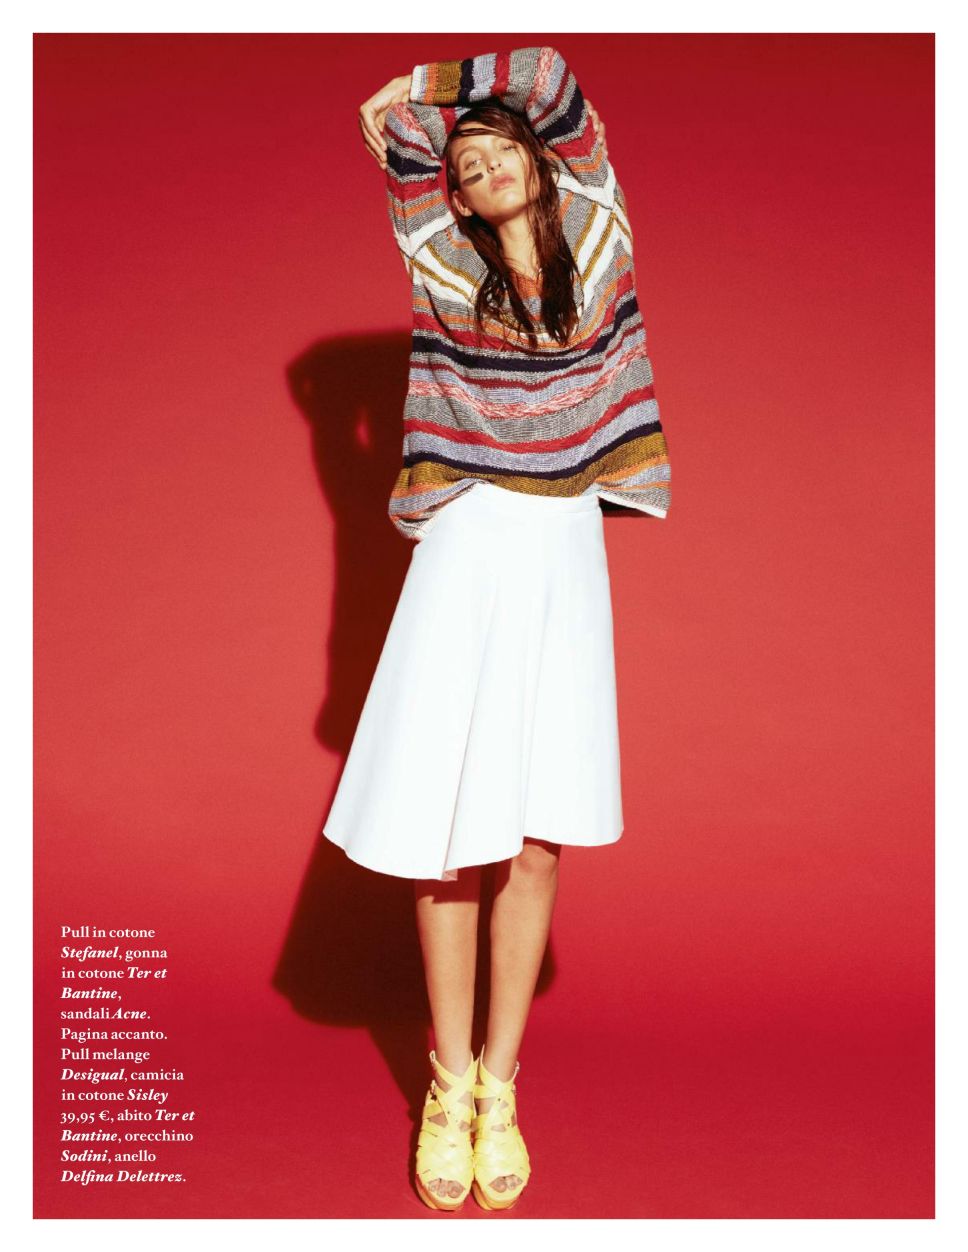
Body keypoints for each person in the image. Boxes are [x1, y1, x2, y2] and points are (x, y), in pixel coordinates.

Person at [323, 45, 672, 1212]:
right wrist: (414, 123)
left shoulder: (602, 235)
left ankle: (498, 1087)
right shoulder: (440, 260)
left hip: (561, 543)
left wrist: (433, 83)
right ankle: (447, 1084)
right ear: (459, 200)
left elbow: (549, 78)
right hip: (467, 541)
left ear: (535, 160)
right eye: (463, 169)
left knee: (533, 832)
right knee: (445, 828)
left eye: (496, 151)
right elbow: (402, 155)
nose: (478, 170)